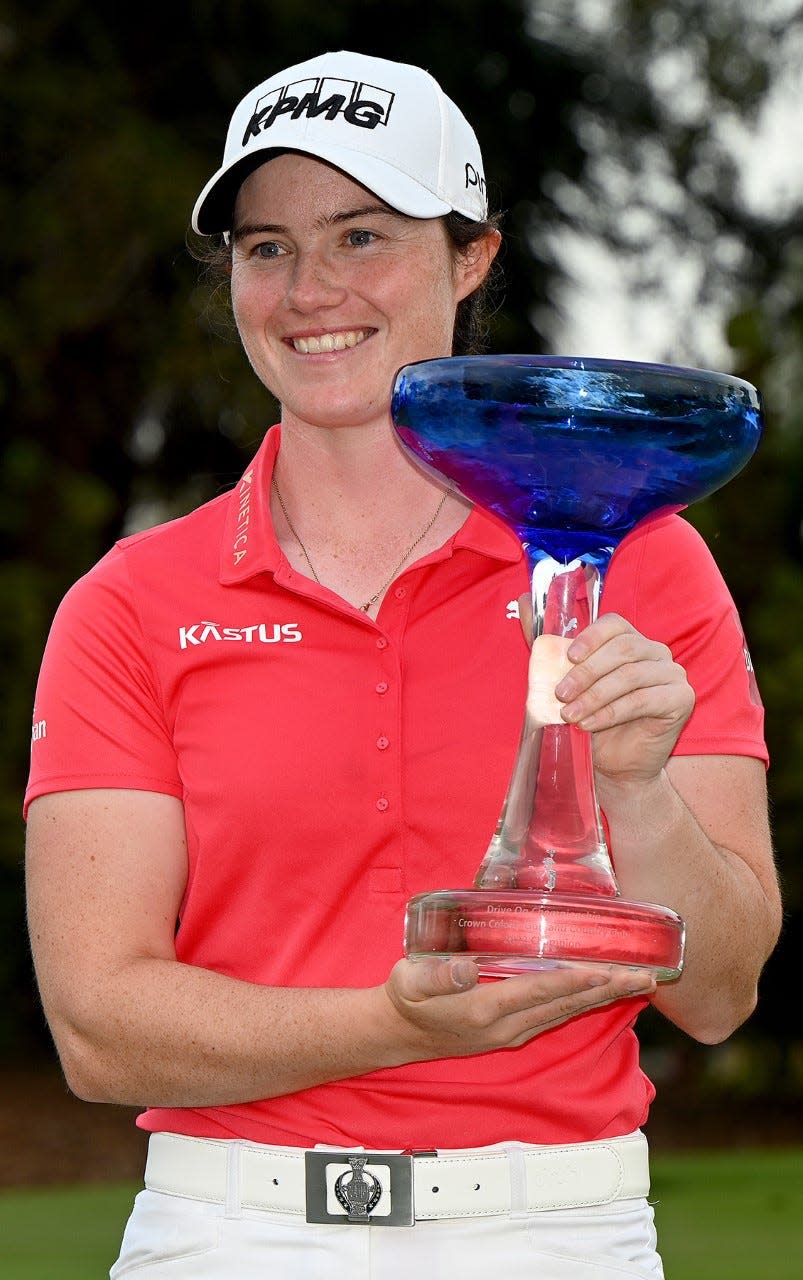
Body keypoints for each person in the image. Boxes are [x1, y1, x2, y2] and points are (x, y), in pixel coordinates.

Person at [24, 49, 781, 1279]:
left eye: (361, 234)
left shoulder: (640, 558)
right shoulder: (131, 603)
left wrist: (634, 786)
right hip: (226, 1232)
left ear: (471, 254)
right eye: (265, 247)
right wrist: (390, 1022)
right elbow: (101, 1028)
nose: (310, 287)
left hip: (557, 1229)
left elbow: (723, 989)